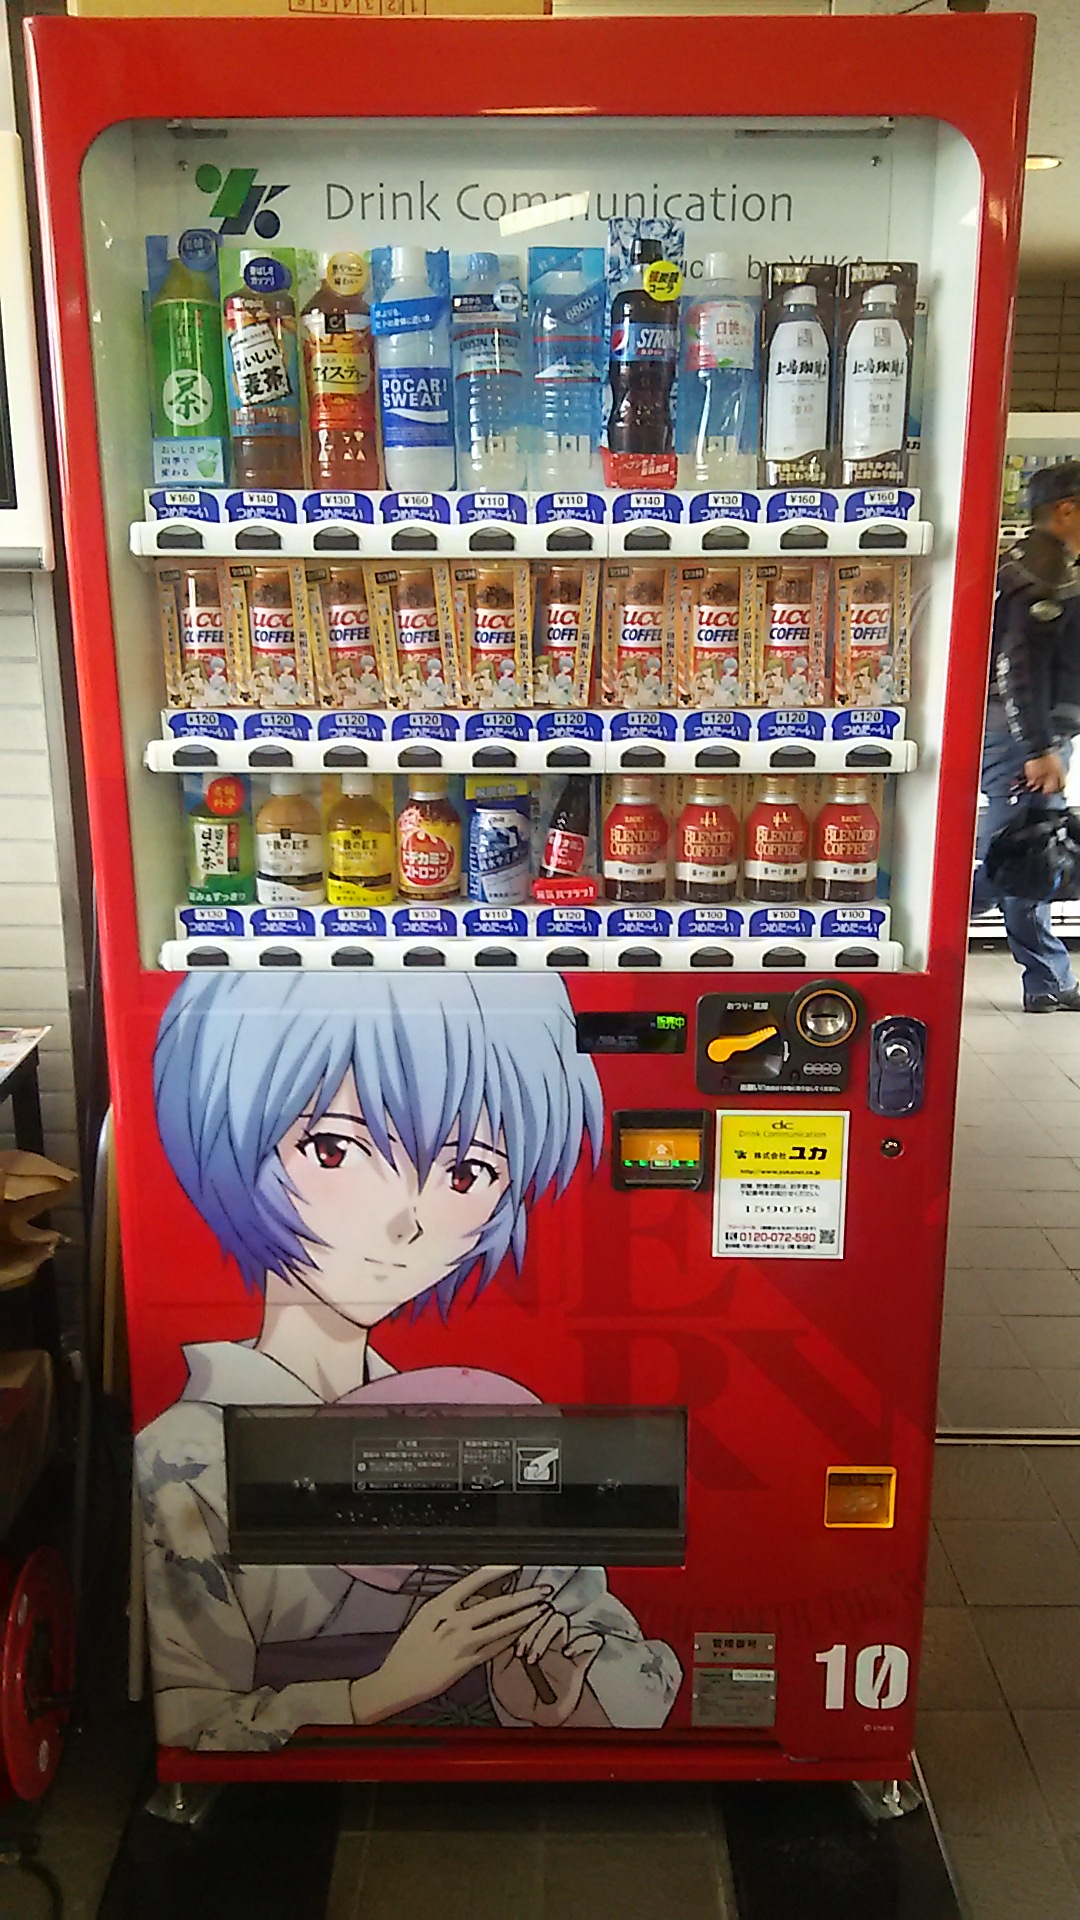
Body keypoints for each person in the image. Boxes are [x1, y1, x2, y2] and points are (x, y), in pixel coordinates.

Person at [136, 971, 682, 1752]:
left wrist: (554, 1701)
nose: (407, 1219)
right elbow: (193, 1723)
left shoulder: (484, 1419)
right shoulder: (180, 1459)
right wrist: (372, 1697)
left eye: (466, 1173)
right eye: (335, 1148)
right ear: (229, 1139)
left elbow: (614, 1651)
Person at [972, 461, 1080, 1010]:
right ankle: (1046, 978)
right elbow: (1019, 665)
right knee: (1027, 853)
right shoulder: (1042, 568)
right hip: (1023, 737)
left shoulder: (1047, 562)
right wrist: (1037, 746)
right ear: (1067, 509)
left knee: (1030, 849)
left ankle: (1046, 979)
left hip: (1032, 733)